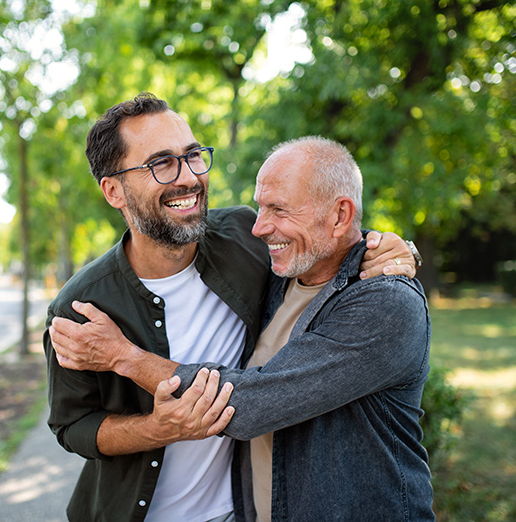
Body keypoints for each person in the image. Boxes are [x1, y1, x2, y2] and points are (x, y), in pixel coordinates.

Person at [43, 93, 418, 522]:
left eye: (192, 156)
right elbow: (73, 427)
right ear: (114, 190)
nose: (187, 177)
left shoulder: (244, 236)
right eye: (161, 163)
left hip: (235, 512)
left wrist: (390, 246)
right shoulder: (82, 309)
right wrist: (156, 429)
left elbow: (320, 233)